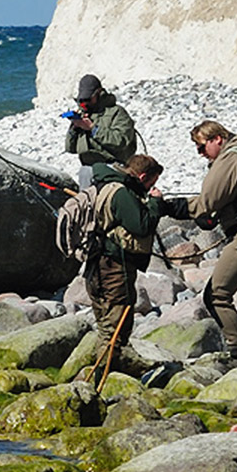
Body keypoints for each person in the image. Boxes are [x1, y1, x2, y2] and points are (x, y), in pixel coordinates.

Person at [163, 119, 237, 374]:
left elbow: (206, 201)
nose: (200, 154)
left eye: (201, 147)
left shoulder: (231, 158)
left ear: (217, 139)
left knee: (216, 295)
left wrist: (166, 206)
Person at [85, 154, 166, 364]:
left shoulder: (107, 184)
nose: (149, 188)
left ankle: (109, 367)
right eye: (150, 183)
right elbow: (143, 225)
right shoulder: (121, 193)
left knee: (106, 322)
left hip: (98, 264)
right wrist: (155, 203)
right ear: (142, 176)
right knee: (116, 323)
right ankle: (105, 374)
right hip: (113, 266)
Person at [64, 74, 138, 188]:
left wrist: (93, 129)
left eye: (88, 99)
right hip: (89, 169)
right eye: (82, 100)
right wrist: (74, 128)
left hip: (114, 168)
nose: (85, 104)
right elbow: (70, 148)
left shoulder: (116, 113)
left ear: (99, 93)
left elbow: (120, 141)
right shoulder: (84, 115)